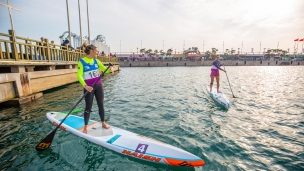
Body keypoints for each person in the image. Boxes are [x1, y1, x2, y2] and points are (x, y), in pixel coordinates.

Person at [77, 44, 114, 134]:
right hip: (89, 87)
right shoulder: (82, 61)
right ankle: (85, 126)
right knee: (88, 107)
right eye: (96, 51)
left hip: (98, 85)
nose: (98, 52)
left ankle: (103, 122)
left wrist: (111, 69)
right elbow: (79, 76)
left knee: (101, 105)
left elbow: (105, 70)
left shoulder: (97, 61)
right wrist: (85, 86)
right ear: (91, 51)